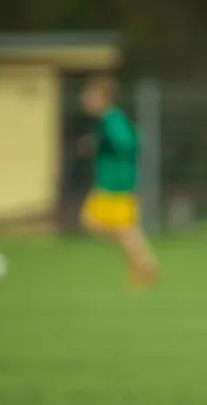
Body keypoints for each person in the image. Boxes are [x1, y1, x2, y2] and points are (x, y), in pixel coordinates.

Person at [78, 75, 159, 286]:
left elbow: (128, 143)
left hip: (116, 184)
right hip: (109, 183)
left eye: (90, 97)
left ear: (102, 98)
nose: (86, 101)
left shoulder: (112, 118)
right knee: (101, 225)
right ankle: (141, 263)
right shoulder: (108, 120)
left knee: (120, 228)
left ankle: (145, 264)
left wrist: (102, 144)